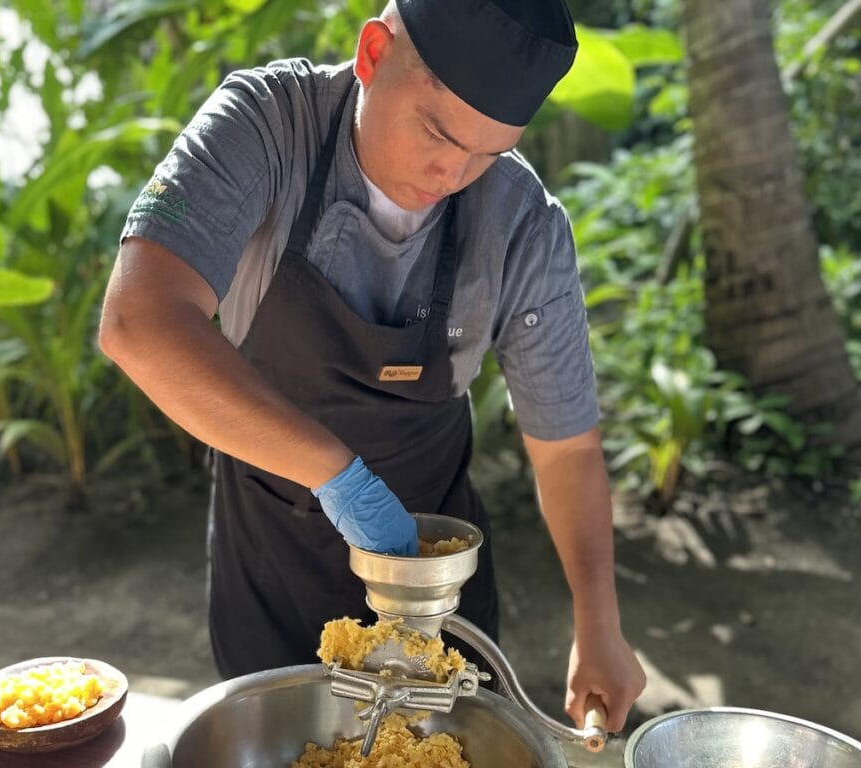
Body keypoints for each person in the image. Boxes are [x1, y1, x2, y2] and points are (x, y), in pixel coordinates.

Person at [99, 0, 646, 733]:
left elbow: (568, 447)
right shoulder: (267, 125)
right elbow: (139, 321)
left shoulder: (521, 221)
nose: (453, 172)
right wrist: (340, 475)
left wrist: (599, 623)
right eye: (437, 131)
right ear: (373, 53)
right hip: (273, 552)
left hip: (435, 587)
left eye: (487, 153)